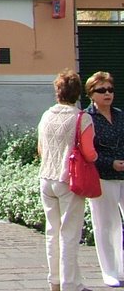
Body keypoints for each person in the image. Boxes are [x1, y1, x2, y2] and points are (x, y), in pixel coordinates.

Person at [38, 68, 96, 291]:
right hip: (69, 180)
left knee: (52, 232)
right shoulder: (82, 118)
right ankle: (70, 285)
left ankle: (55, 281)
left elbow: (41, 148)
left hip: (46, 177)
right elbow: (90, 153)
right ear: (78, 93)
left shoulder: (46, 115)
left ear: (57, 92)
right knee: (70, 234)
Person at [85, 71, 124, 287]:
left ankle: (121, 267)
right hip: (102, 176)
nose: (107, 93)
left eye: (110, 89)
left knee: (120, 225)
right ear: (92, 94)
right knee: (105, 225)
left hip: (123, 175)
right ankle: (109, 271)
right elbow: (88, 151)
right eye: (102, 90)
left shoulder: (120, 115)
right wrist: (110, 163)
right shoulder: (87, 118)